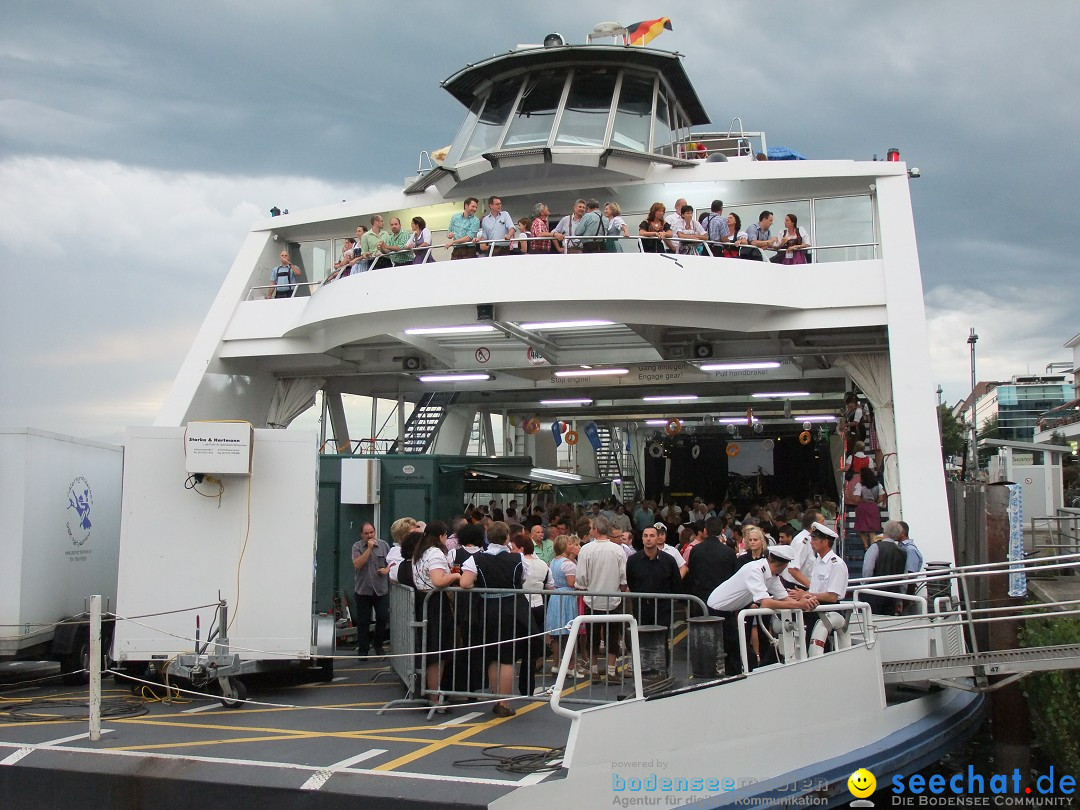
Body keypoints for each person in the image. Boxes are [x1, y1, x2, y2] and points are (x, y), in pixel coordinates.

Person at [706, 545, 817, 672]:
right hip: (717, 612)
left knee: (736, 653)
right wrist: (799, 605)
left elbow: (783, 598)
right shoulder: (755, 570)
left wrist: (805, 604)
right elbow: (766, 603)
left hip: (728, 611)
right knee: (744, 655)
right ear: (784, 565)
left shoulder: (771, 575)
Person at [459, 520, 528, 717]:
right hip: (510, 608)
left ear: (488, 537)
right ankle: (504, 702)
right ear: (507, 538)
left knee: (492, 656)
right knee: (507, 658)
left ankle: (496, 696)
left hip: (487, 608)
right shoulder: (518, 559)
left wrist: (479, 586)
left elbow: (464, 583)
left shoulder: (476, 560)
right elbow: (521, 579)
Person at [411, 521, 460, 711]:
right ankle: (435, 695)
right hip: (435, 603)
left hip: (424, 601)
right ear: (440, 536)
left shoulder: (420, 552)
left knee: (434, 650)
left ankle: (434, 693)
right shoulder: (435, 553)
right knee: (438, 652)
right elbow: (439, 580)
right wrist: (455, 576)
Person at [575, 515, 628, 682]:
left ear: (596, 530)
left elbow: (581, 578)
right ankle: (612, 670)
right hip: (613, 598)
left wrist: (584, 586)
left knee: (593, 636)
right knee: (613, 635)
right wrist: (622, 588)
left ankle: (594, 670)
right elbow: (623, 578)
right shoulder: (618, 550)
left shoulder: (586, 550)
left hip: (592, 598)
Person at [626, 526, 681, 631]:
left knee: (662, 639)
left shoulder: (669, 560)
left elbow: (676, 584)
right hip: (641, 608)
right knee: (642, 639)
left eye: (652, 536)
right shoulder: (633, 560)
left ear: (657, 538)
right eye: (645, 536)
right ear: (642, 539)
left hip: (663, 608)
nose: (648, 539)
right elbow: (631, 581)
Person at [351, 522, 390, 656]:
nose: (369, 535)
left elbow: (391, 561)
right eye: (366, 533)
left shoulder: (384, 545)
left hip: (380, 589)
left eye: (371, 532)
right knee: (363, 621)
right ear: (361, 534)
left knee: (382, 616)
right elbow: (357, 564)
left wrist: (387, 569)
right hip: (363, 590)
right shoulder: (356, 547)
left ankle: (378, 644)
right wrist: (368, 549)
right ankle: (363, 650)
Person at [545, 534, 581, 676]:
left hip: (555, 597)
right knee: (570, 633)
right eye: (569, 544)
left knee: (557, 633)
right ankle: (571, 666)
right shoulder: (568, 564)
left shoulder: (554, 561)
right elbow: (572, 583)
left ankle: (556, 665)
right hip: (566, 597)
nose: (572, 546)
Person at [862, 522, 909, 614]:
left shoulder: (875, 547)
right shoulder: (903, 552)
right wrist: (901, 597)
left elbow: (867, 570)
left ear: (884, 531)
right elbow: (904, 578)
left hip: (874, 593)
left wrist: (864, 585)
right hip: (893, 595)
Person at [852, 467, 886, 549]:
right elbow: (882, 497)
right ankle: (873, 545)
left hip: (863, 506)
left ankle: (866, 546)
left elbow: (856, 498)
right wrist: (875, 502)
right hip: (873, 506)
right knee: (872, 529)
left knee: (861, 528)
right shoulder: (878, 485)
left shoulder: (860, 485)